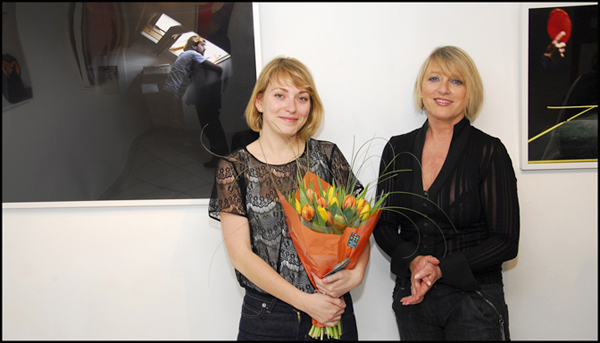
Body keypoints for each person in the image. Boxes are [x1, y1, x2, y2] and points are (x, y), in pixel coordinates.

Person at [209, 57, 369, 340]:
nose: (292, 108)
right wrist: (306, 303)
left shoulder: (328, 157)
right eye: (280, 95)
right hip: (265, 317)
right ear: (259, 102)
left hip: (332, 310)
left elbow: (359, 229)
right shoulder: (234, 167)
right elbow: (241, 256)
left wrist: (355, 275)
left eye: (302, 97)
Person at [373, 46, 520, 341]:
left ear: (469, 91)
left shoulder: (489, 151)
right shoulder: (396, 149)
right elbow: (383, 225)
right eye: (434, 79)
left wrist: (440, 270)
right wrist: (415, 261)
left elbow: (505, 242)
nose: (443, 89)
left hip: (475, 300)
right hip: (413, 299)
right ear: (421, 88)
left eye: (456, 81)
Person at [163, 35, 227, 167]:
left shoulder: (183, 56)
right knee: (180, 122)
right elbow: (217, 69)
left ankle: (219, 157)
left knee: (209, 127)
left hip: (171, 92)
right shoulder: (192, 54)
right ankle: (186, 144)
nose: (204, 48)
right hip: (173, 93)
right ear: (193, 46)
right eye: (202, 45)